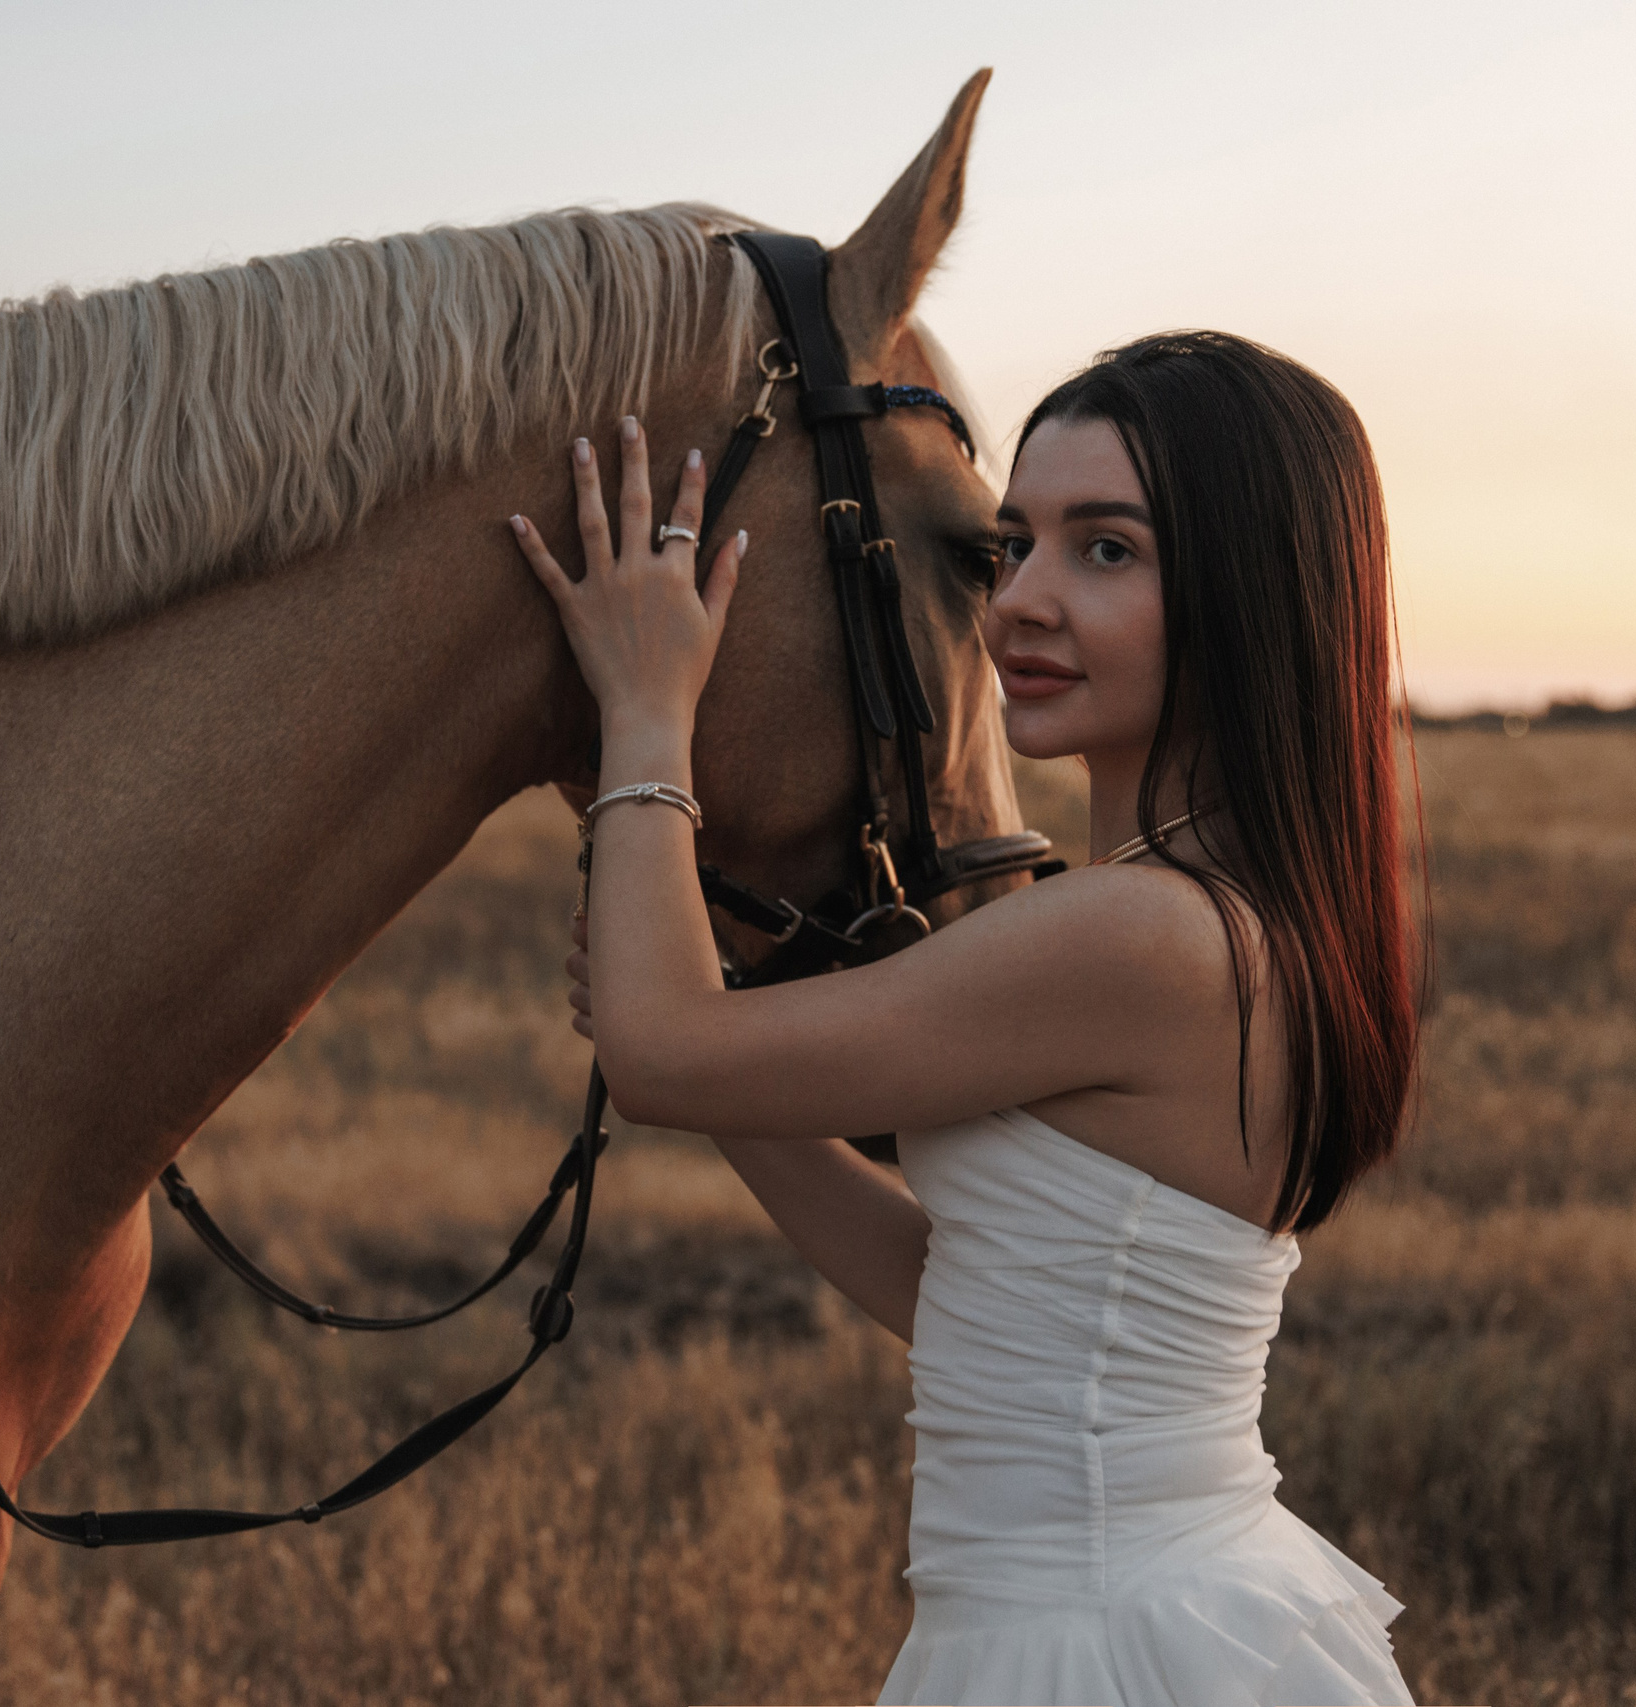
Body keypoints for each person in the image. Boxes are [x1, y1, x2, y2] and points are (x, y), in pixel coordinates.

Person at [508, 330, 1421, 1707]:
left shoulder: (1141, 933)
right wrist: (716, 1077)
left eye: (1107, 550)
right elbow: (966, 1298)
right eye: (1015, 547)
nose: (1021, 606)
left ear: (1257, 592)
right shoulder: (1219, 917)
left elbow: (657, 1044)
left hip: (1090, 1640)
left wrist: (645, 712)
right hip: (1148, 1610)